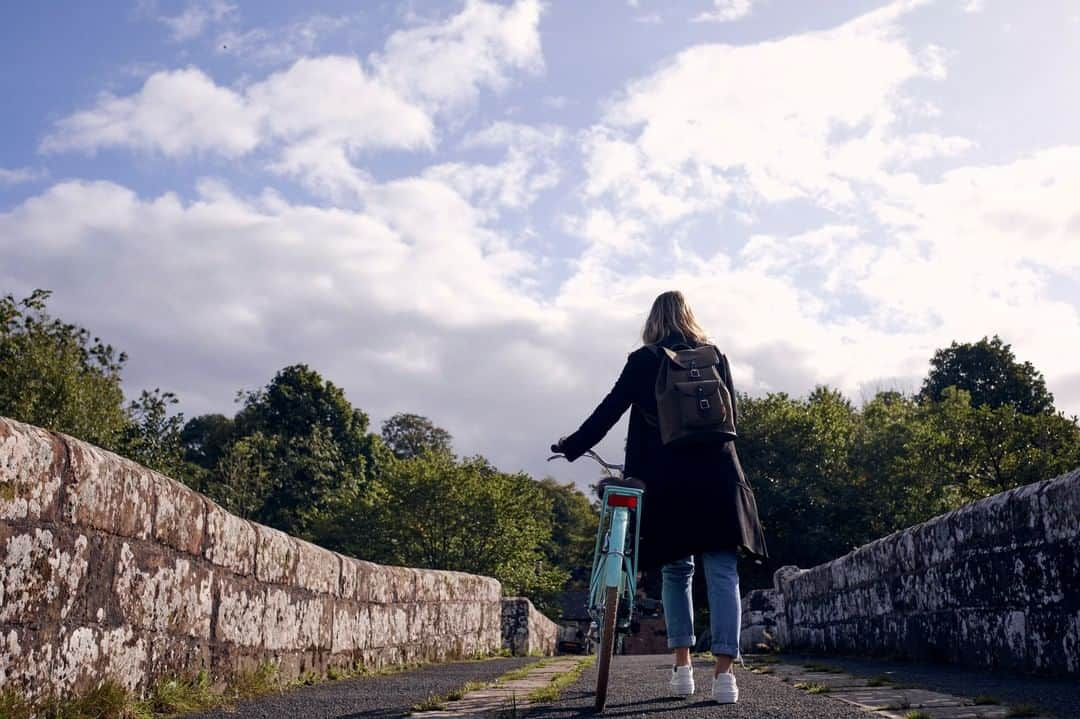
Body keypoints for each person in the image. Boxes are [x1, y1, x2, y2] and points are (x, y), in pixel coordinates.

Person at [552, 290, 768, 705]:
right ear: (690, 317)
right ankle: (725, 678)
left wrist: (572, 445)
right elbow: (731, 417)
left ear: (653, 321)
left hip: (666, 480)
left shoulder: (644, 360)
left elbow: (609, 410)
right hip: (717, 475)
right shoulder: (714, 355)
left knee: (676, 573)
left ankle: (683, 668)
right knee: (723, 573)